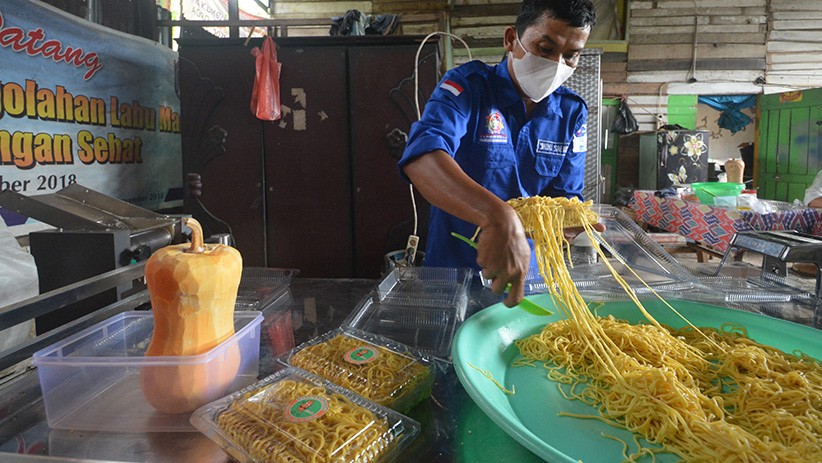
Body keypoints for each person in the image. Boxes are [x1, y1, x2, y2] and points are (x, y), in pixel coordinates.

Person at [399, 0, 600, 307]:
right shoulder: (466, 88)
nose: (557, 64)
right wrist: (498, 217)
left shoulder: (571, 113)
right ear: (511, 40)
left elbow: (565, 197)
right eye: (545, 49)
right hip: (455, 276)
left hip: (526, 275)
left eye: (570, 56)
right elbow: (422, 158)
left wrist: (570, 223)